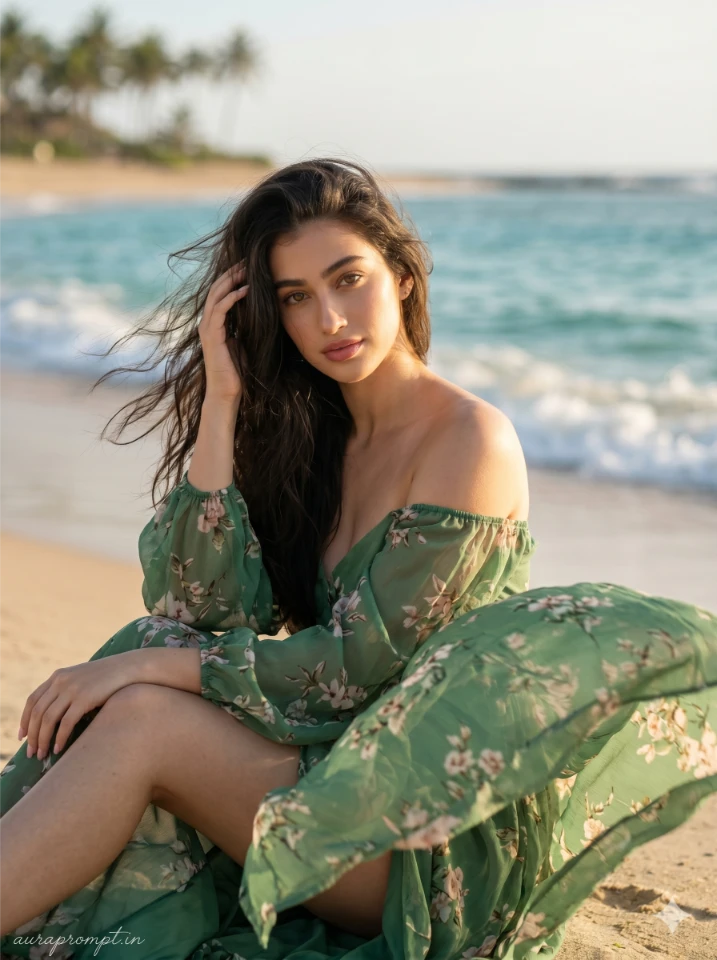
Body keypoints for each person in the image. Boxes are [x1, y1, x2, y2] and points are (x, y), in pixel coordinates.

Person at [0, 157, 715, 960]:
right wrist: (224, 401)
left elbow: (360, 668)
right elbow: (192, 607)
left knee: (142, 711)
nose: (330, 319)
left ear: (402, 277)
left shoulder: (467, 442)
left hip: (425, 841)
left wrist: (149, 674)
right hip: (329, 783)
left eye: (349, 279)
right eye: (296, 298)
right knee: (145, 660)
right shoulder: (316, 442)